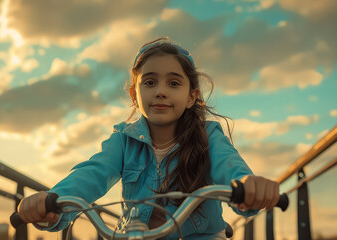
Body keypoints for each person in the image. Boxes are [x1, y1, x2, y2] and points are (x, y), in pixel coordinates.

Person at [17, 37, 280, 239]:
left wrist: (247, 186)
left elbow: (229, 165)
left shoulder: (208, 135)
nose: (161, 92)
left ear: (192, 96)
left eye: (174, 83)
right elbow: (91, 174)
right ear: (135, 94)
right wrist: (52, 203)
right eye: (150, 82)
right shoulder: (122, 140)